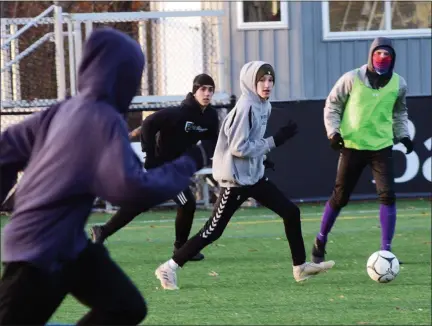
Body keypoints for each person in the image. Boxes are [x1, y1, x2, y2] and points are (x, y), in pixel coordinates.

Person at [0, 27, 212, 325]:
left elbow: (5, 149)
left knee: (126, 308)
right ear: (121, 78)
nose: (135, 87)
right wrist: (188, 162)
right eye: (134, 77)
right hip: (39, 250)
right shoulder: (103, 119)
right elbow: (129, 188)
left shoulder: (62, 111)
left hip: (70, 246)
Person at [154, 61, 336, 290]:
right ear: (252, 82)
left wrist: (261, 159)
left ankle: (299, 267)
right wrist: (274, 142)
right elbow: (239, 148)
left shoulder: (263, 105)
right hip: (236, 181)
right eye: (262, 80)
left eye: (270, 80)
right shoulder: (246, 107)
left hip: (253, 177)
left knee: (291, 212)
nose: (267, 85)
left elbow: (251, 143)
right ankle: (169, 267)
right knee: (212, 231)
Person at [90, 74, 219, 261]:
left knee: (141, 202)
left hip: (177, 168)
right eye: (203, 89)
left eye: (210, 90)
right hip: (163, 167)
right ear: (194, 91)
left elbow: (212, 139)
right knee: (187, 202)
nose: (207, 93)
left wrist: (201, 157)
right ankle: (181, 249)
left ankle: (102, 231)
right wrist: (150, 156)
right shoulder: (180, 113)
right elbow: (149, 123)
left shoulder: (210, 116)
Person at [311, 37, 413, 264]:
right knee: (340, 197)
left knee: (388, 196)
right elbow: (333, 105)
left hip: (381, 146)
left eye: (387, 55)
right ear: (370, 55)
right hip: (352, 146)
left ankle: (386, 251)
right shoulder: (351, 78)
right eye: (379, 54)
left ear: (393, 59)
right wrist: (333, 133)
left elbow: (399, 113)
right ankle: (321, 239)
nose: (382, 59)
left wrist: (403, 135)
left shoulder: (399, 84)